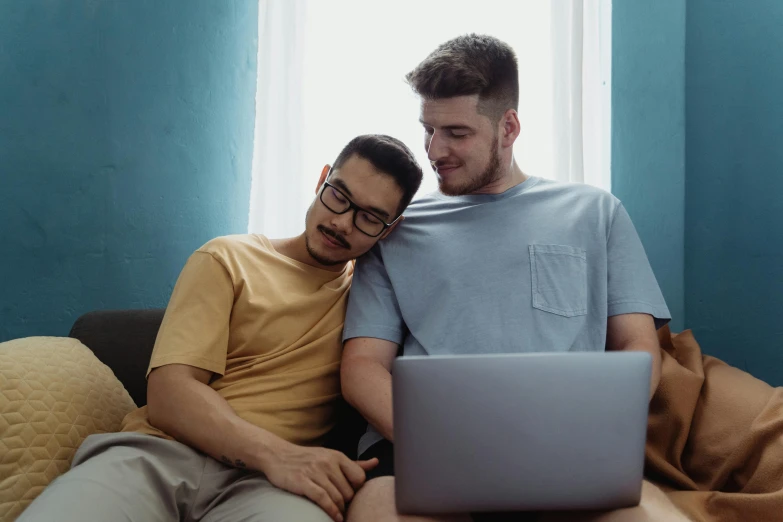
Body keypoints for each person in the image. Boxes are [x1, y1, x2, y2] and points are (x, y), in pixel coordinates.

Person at [340, 35, 688, 522]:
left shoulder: (595, 213)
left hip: (563, 453)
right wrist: (447, 443)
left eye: (456, 133)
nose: (434, 150)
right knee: (378, 510)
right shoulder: (398, 230)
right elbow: (361, 369)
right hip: (422, 455)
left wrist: (588, 434)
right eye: (428, 129)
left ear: (509, 126)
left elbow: (638, 347)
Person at [18, 134, 423, 522]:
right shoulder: (229, 257)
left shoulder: (373, 300)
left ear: (389, 230)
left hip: (271, 490)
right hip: (161, 455)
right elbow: (169, 394)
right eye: (338, 195)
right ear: (321, 180)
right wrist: (280, 456)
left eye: (369, 218)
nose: (342, 222)